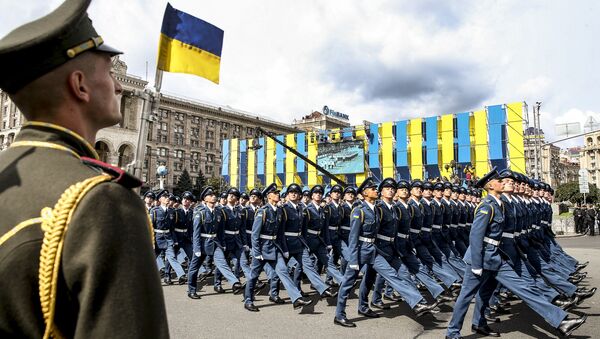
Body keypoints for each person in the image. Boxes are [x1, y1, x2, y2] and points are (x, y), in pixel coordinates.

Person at [0, 1, 168, 337]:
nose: (120, 88)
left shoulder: (9, 175)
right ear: (80, 86)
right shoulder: (101, 203)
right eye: (109, 73)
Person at [446, 168, 587, 339]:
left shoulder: (501, 205)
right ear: (491, 186)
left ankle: (560, 322)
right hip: (482, 259)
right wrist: (476, 264)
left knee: (521, 289)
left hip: (497, 258)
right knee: (466, 296)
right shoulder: (486, 207)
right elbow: (476, 237)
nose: (502, 182)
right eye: (499, 181)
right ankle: (452, 333)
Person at [243, 183, 312, 312]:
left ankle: (296, 298)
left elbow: (280, 233)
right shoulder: (262, 212)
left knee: (283, 272)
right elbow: (255, 234)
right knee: (253, 276)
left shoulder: (280, 211)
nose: (278, 195)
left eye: (278, 193)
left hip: (275, 248)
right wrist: (256, 252)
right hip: (262, 249)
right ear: (269, 196)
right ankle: (248, 300)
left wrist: (284, 249)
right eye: (275, 193)